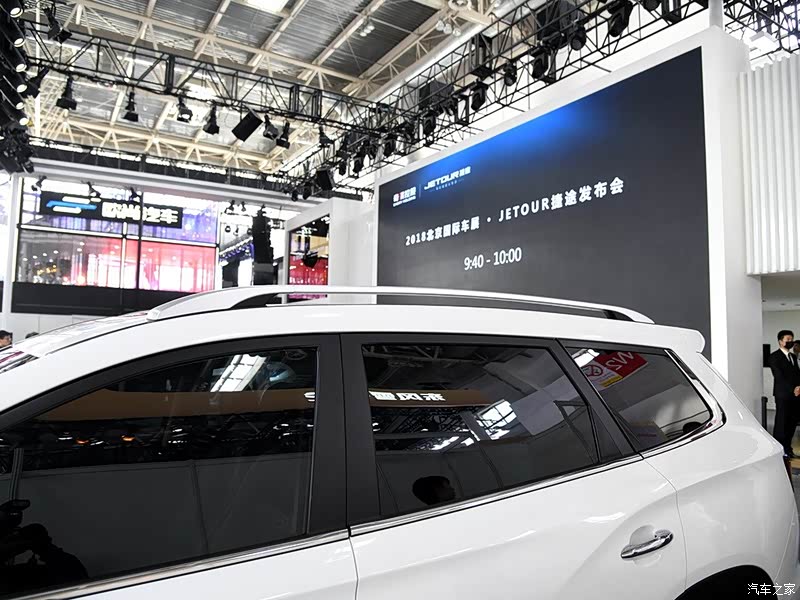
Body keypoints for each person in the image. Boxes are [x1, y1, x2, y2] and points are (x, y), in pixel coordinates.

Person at [768, 330, 800, 457]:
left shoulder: (793, 357)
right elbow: (779, 376)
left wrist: (798, 387)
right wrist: (793, 388)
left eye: (792, 339)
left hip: (795, 395)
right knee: (782, 422)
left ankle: (788, 448)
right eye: (788, 339)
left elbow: (797, 374)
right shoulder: (774, 357)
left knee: (792, 422)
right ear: (780, 341)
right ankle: (779, 450)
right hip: (783, 394)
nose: (791, 342)